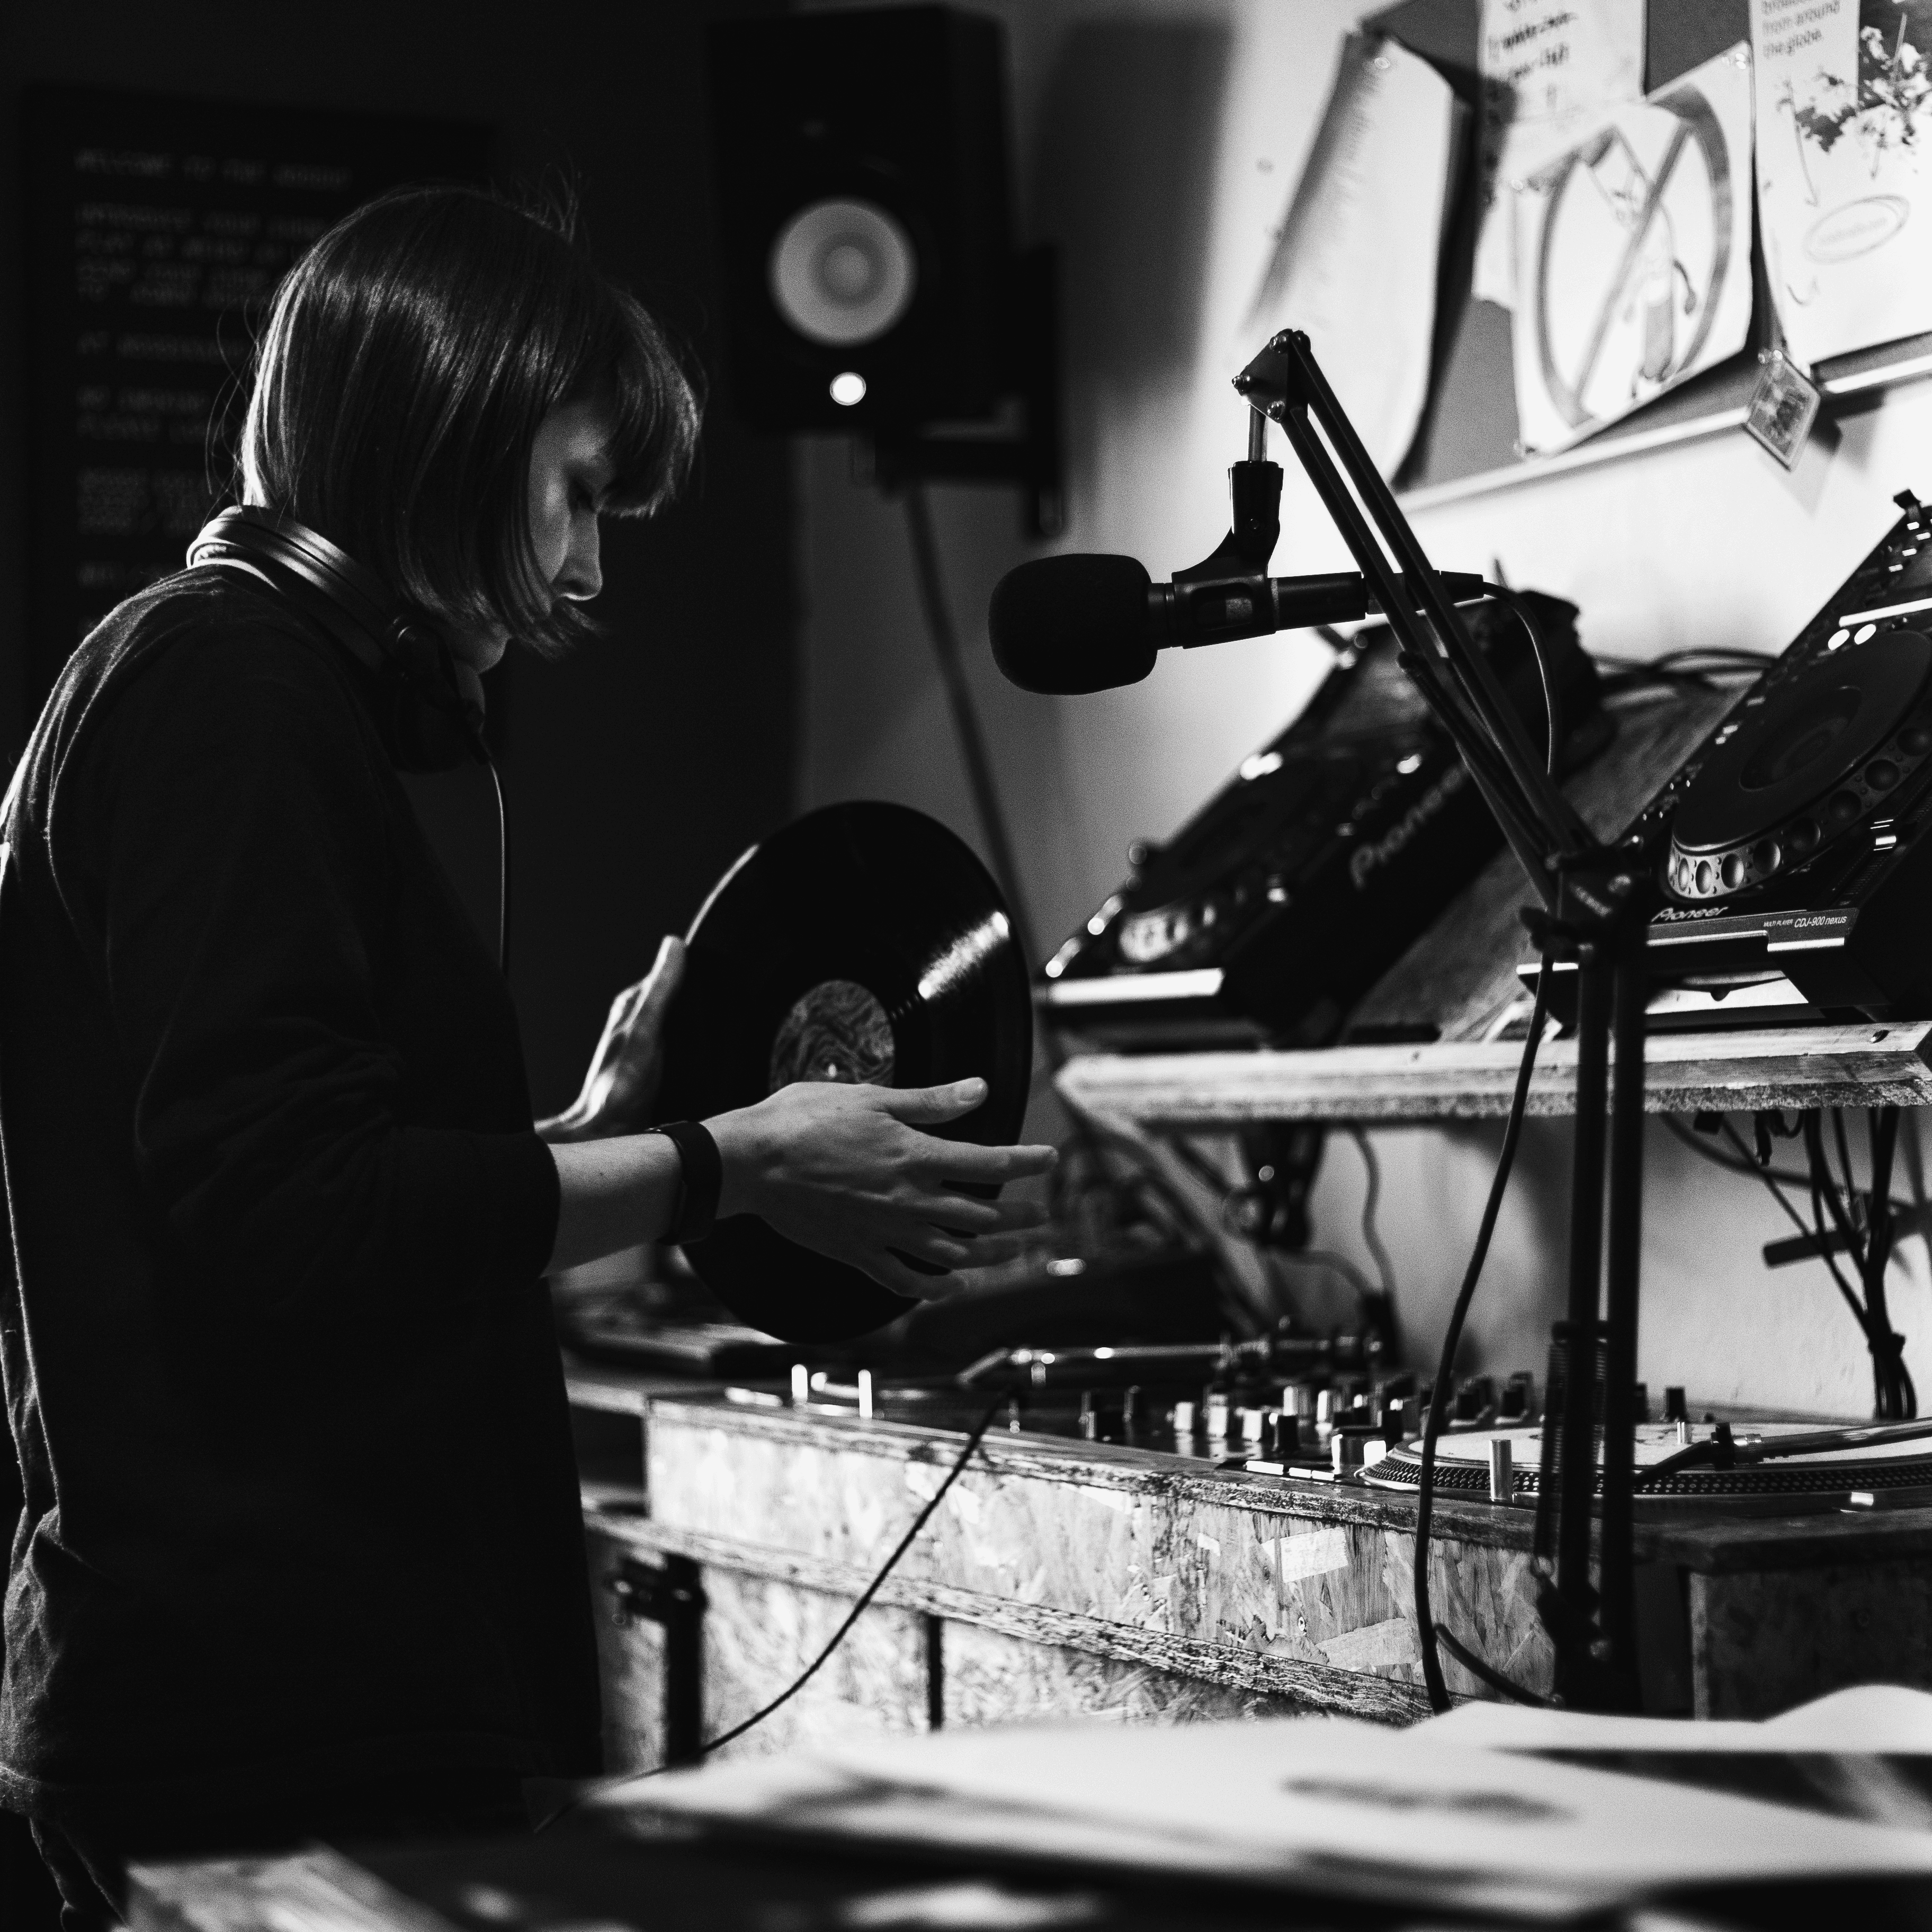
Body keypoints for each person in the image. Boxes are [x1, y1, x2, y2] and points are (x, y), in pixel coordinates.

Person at [0, 185, 1053, 1928]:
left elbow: (299, 1216)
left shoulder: (243, 689)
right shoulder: (229, 694)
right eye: (573, 491)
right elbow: (290, 1214)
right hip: (254, 1714)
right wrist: (737, 1158)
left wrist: (584, 1132)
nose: (585, 566)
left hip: (285, 1694)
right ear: (442, 437)